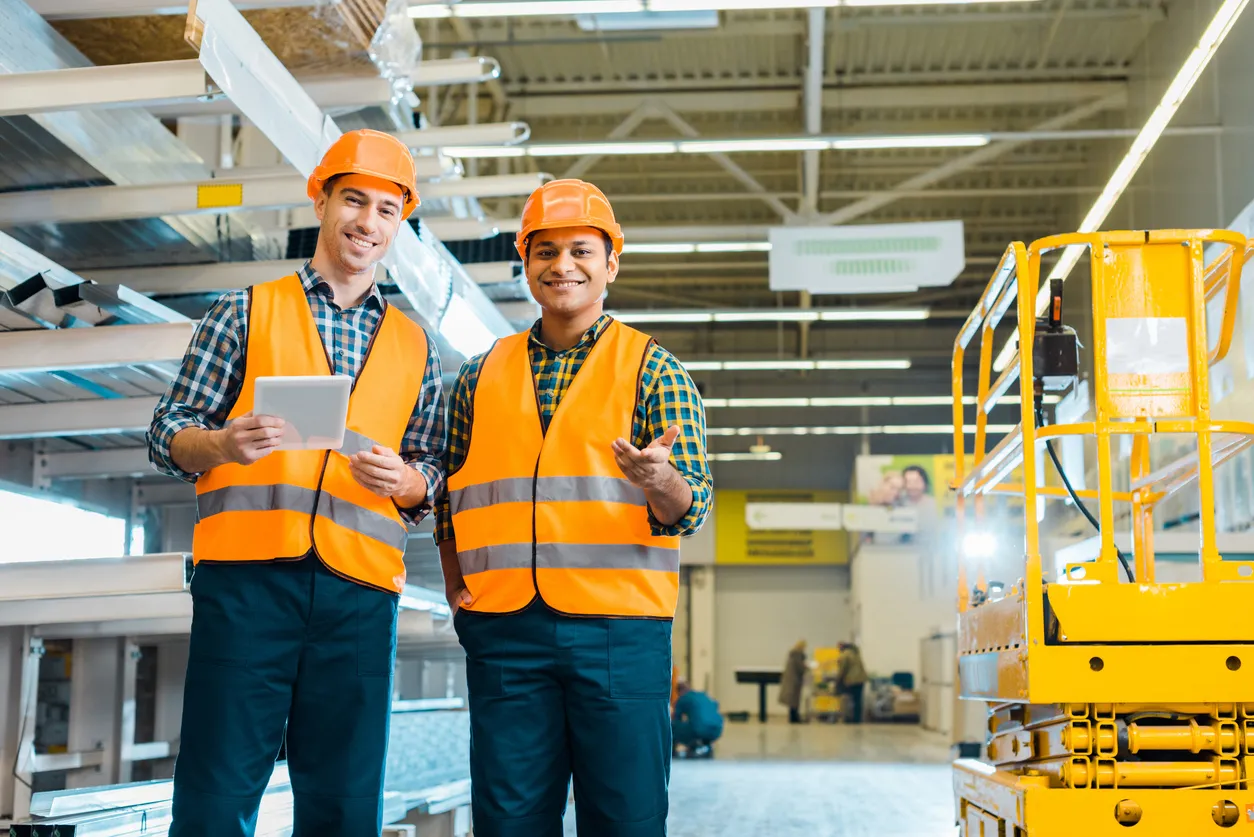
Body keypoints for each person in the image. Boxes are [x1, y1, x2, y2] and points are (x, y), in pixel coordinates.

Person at [146, 129, 446, 837]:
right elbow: (167, 432)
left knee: (346, 800)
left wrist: (406, 480)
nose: (367, 222)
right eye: (353, 201)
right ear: (321, 202)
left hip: (360, 594)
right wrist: (221, 442)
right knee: (217, 789)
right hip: (247, 583)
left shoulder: (415, 346)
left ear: (398, 223)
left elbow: (434, 472)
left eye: (386, 210)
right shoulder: (244, 310)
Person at [435, 178, 712, 837]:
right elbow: (449, 496)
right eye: (546, 250)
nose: (563, 265)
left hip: (619, 633)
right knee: (508, 821)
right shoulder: (478, 374)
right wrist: (457, 591)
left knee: (625, 819)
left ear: (611, 263)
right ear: (525, 262)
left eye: (582, 250)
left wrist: (660, 479)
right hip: (504, 629)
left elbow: (692, 505)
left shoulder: (653, 370)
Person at [672, 678, 724, 759]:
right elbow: (715, 706)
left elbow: (676, 719)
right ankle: (705, 745)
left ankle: (673, 751)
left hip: (700, 730)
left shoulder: (682, 698)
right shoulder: (704, 695)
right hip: (717, 730)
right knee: (698, 724)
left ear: (679, 691)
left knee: (672, 727)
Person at [834, 642, 869, 724]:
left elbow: (842, 669)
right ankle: (857, 719)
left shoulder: (844, 655)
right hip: (861, 679)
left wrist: (838, 680)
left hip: (851, 680)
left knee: (849, 699)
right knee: (858, 700)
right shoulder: (856, 654)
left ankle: (849, 718)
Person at [779, 640, 808, 724]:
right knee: (794, 700)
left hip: (792, 680)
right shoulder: (797, 654)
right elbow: (800, 667)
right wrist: (807, 667)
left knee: (792, 700)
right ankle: (794, 718)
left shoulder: (793, 654)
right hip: (795, 681)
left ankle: (793, 717)